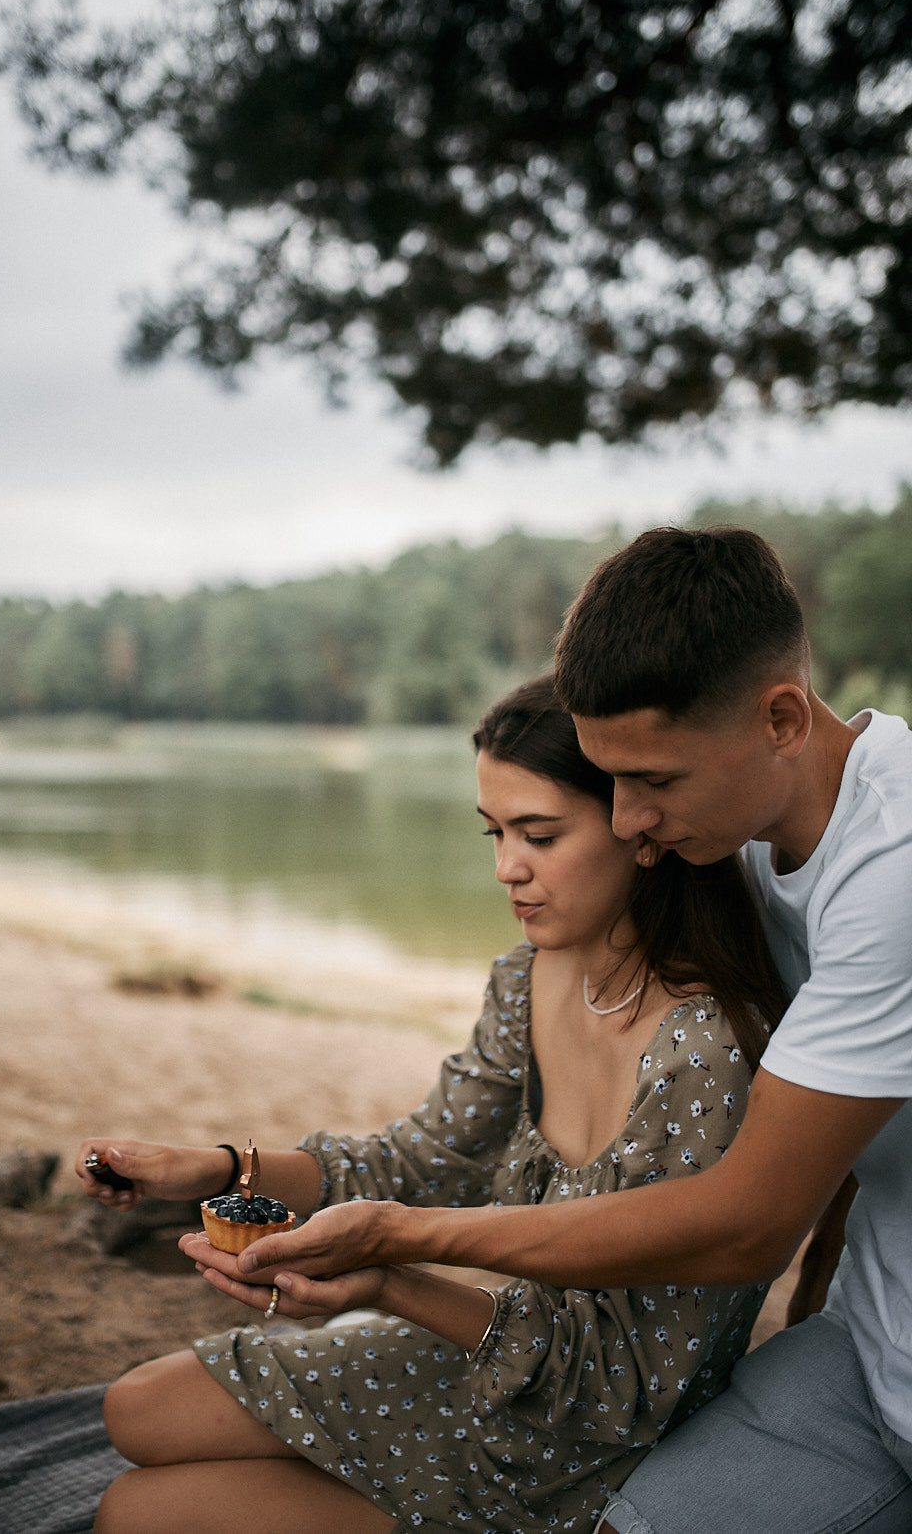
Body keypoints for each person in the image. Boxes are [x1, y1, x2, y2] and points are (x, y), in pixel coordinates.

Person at [244, 526, 912, 1533]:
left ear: (780, 718)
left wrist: (397, 1240)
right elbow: (854, 1146)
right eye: (611, 783)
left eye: (654, 781)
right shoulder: (754, 837)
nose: (629, 820)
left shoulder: (894, 871)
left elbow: (748, 1220)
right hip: (871, 1348)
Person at [77, 682, 788, 1534]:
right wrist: (220, 1167)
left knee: (137, 1513)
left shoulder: (700, 1056)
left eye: (539, 834)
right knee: (137, 1409)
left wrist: (392, 1285)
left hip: (581, 1452)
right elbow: (424, 1160)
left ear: (639, 827)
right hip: (479, 1344)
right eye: (495, 833)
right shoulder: (531, 976)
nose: (505, 869)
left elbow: (621, 1386)